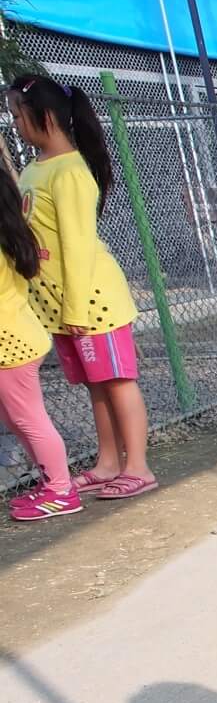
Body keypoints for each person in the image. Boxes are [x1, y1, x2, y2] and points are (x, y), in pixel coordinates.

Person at [6, 74, 154, 501]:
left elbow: (78, 248)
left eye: (19, 113)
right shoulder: (36, 168)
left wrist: (74, 312)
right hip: (63, 310)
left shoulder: (70, 173)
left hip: (91, 306)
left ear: (46, 116)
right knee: (96, 385)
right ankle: (109, 462)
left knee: (118, 382)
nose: (15, 122)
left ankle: (138, 467)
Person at [0, 162, 77, 521]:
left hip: (10, 345)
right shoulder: (9, 232)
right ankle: (51, 483)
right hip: (16, 340)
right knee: (16, 418)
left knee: (28, 419)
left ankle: (61, 490)